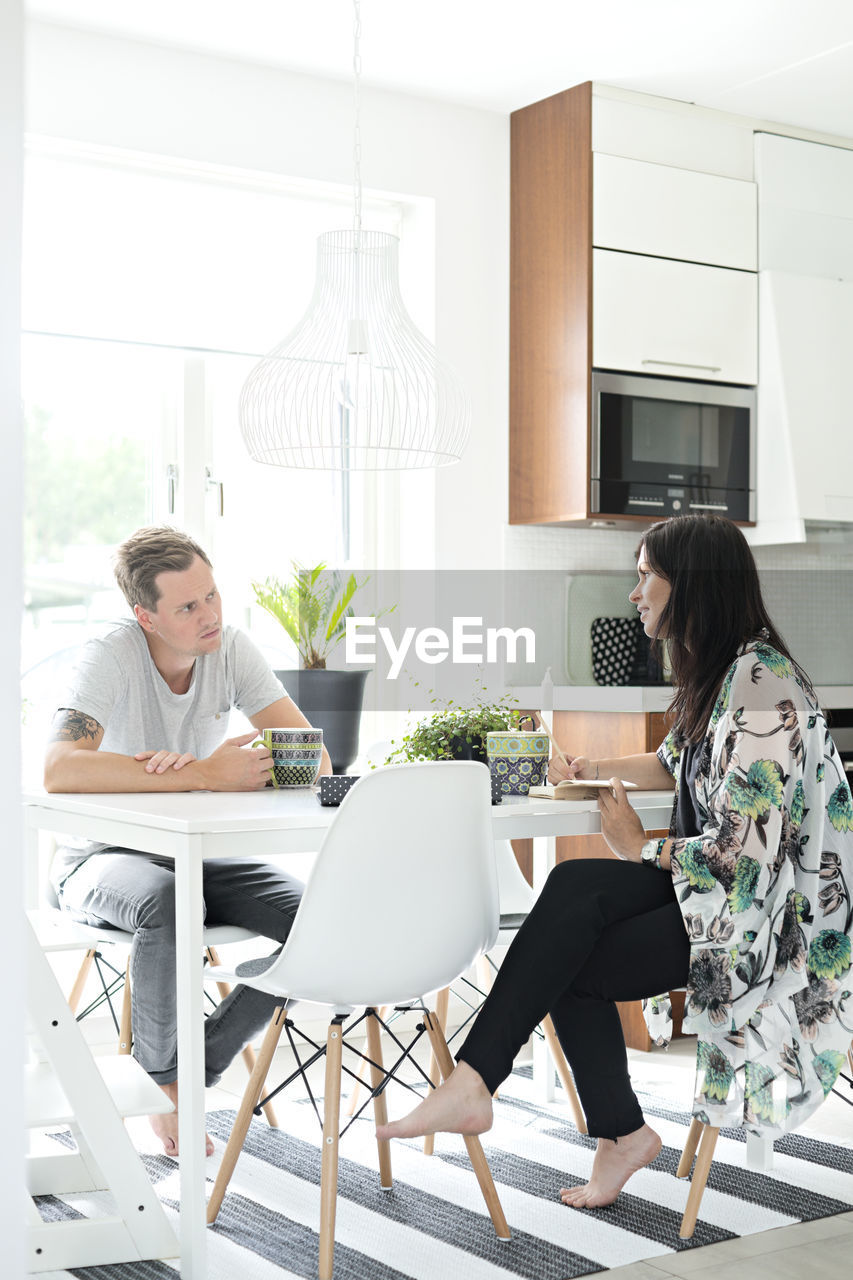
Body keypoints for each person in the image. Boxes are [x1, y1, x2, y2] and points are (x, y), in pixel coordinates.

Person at [378, 514, 853, 1211]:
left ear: (686, 584)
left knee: (568, 956)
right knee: (571, 894)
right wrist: (590, 768)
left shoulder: (758, 686)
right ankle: (498, 1091)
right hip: (719, 900)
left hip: (771, 925)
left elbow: (745, 857)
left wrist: (639, 847)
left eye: (643, 575)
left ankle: (579, 1119)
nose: (633, 593)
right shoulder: (723, 673)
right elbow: (671, 764)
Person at [44, 526, 333, 1157]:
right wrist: (204, 774)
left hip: (190, 850)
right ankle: (163, 1086)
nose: (210, 616)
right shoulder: (111, 656)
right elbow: (60, 768)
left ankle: (197, 1063)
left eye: (212, 596)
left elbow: (314, 757)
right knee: (170, 902)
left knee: (320, 920)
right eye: (187, 607)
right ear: (144, 616)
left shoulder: (229, 648)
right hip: (96, 859)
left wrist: (251, 770)